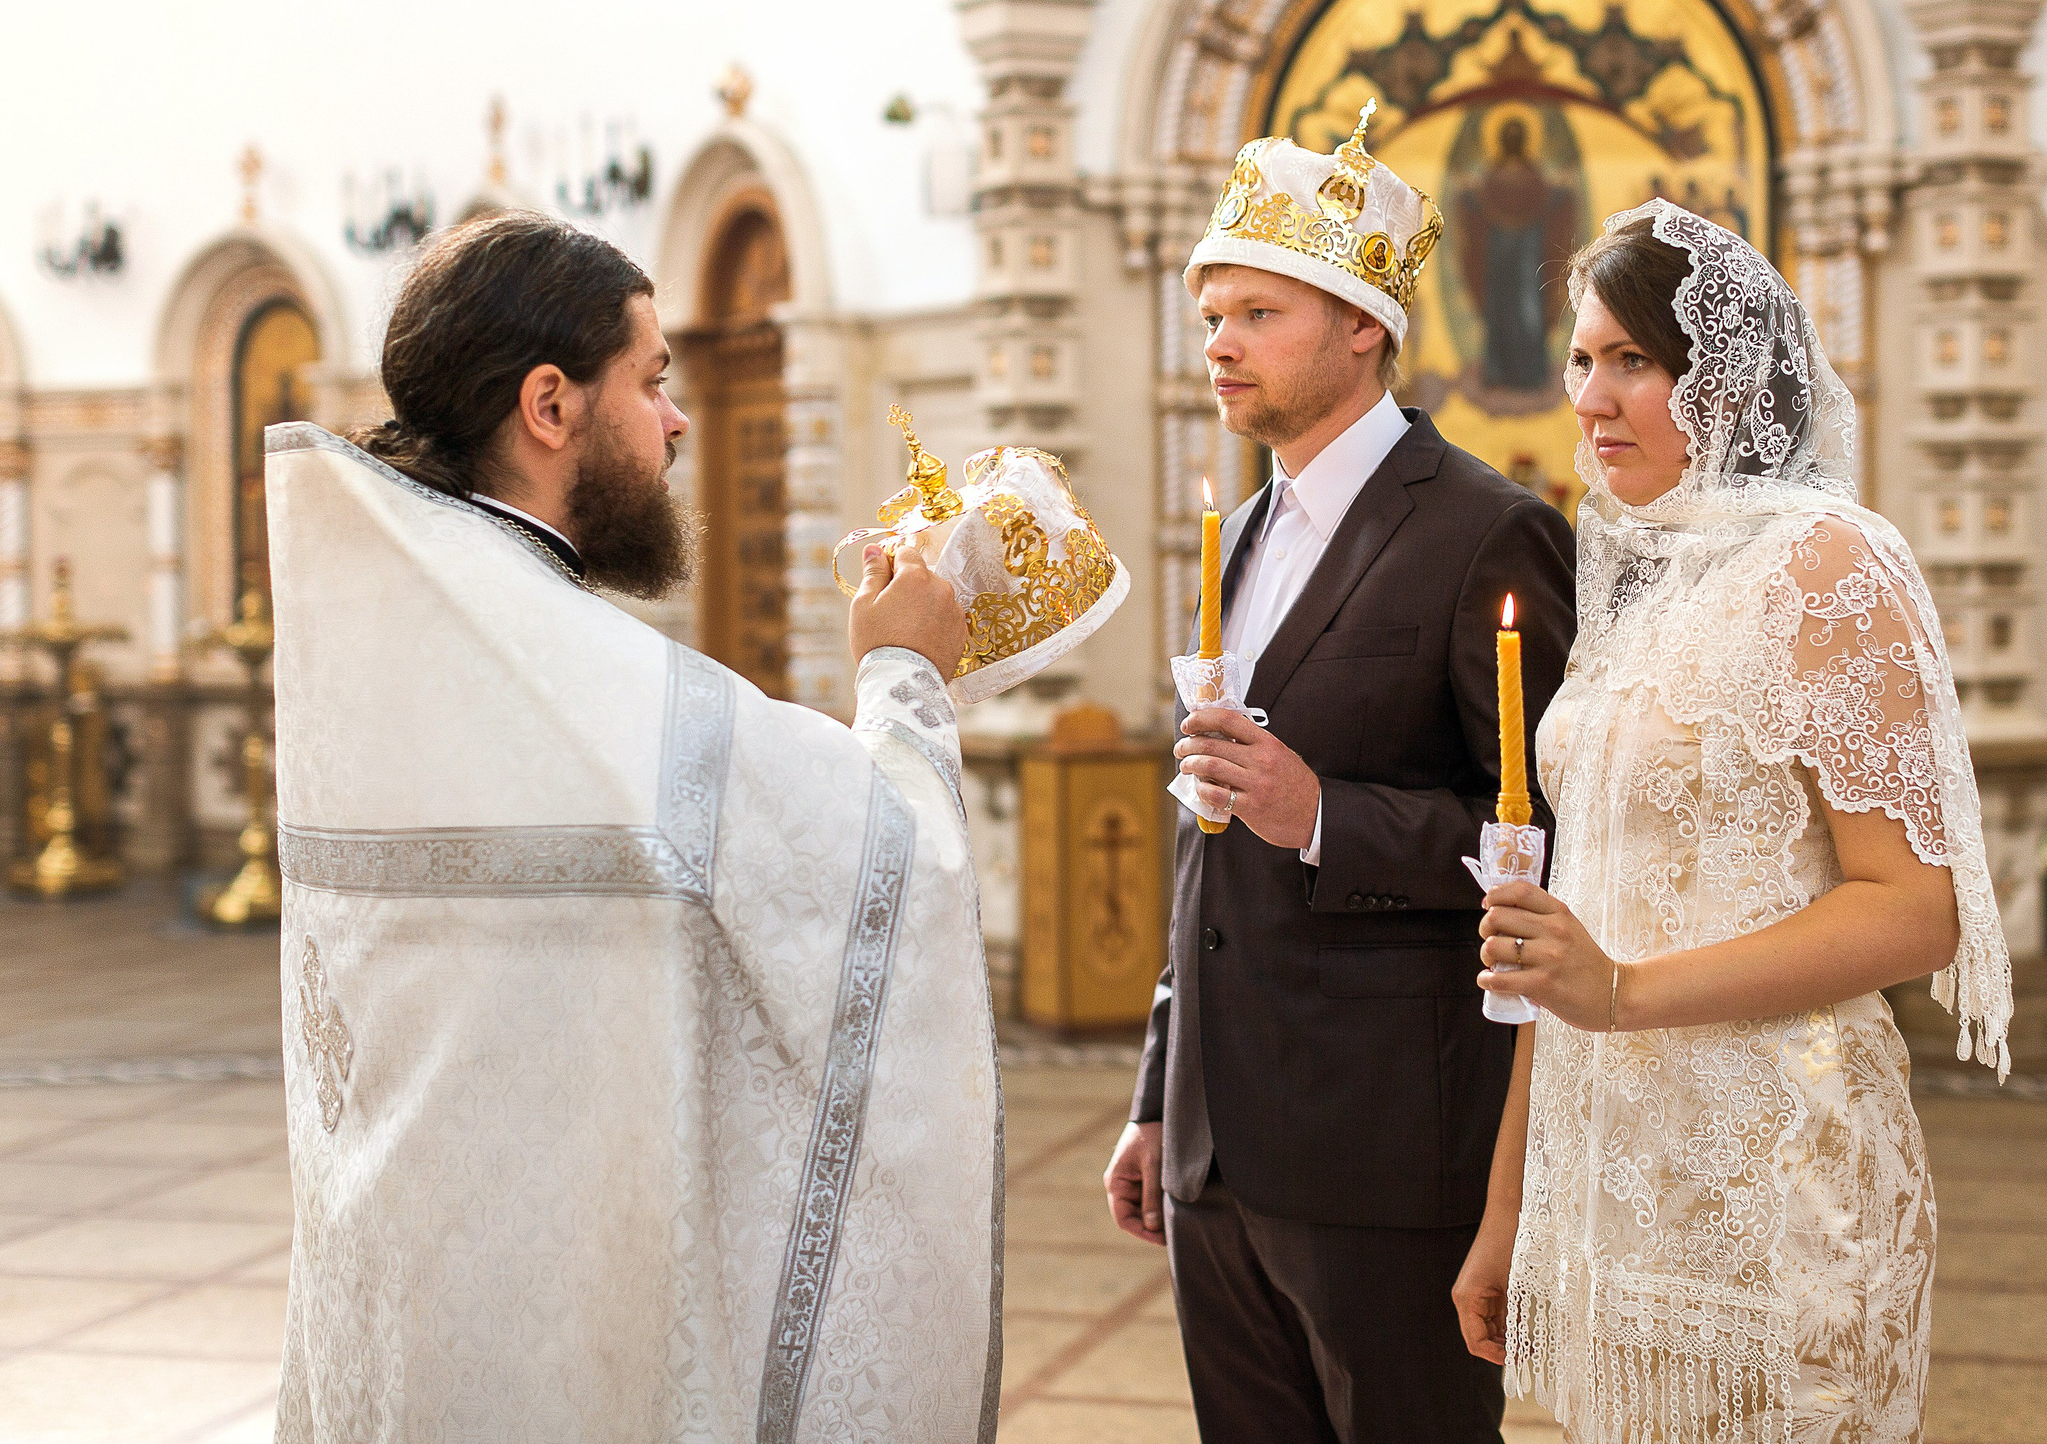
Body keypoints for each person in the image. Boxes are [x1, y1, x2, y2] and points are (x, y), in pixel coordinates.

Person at [266, 211, 995, 1443]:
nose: (677, 419)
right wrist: (904, 679)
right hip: (575, 1340)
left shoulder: (386, 640)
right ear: (549, 406)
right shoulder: (573, 676)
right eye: (652, 380)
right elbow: (888, 871)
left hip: (405, 1304)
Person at [1451, 201, 2014, 1443]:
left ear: (1729, 374)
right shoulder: (1639, 579)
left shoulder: (1826, 565)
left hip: (1778, 1174)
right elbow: (1574, 932)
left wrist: (1626, 992)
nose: (1591, 398)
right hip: (1613, 1182)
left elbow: (1913, 909)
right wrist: (1509, 1210)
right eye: (1582, 360)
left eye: (1633, 362)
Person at [1105, 105, 1577, 1444]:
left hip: (1386, 1147)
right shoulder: (1235, 533)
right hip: (1214, 1150)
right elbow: (1208, 843)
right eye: (1211, 316)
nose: (1219, 343)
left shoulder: (1491, 529)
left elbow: (1556, 844)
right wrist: (1157, 1096)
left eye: (1257, 311)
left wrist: (1325, 816)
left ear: (1363, 322)